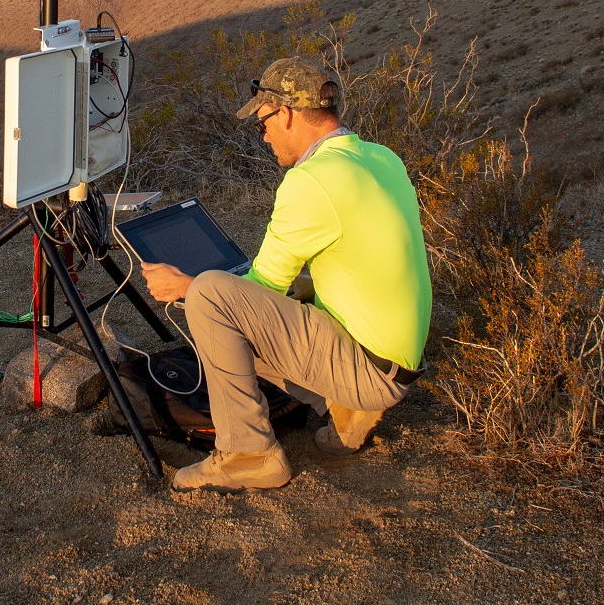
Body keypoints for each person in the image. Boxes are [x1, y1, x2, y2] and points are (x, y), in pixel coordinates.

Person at [140, 56, 432, 492]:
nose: (263, 134)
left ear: (288, 114)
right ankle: (345, 411)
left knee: (211, 298)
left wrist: (186, 286)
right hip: (396, 361)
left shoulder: (312, 180)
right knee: (278, 293)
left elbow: (258, 290)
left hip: (370, 372)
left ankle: (248, 454)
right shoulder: (380, 157)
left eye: (263, 122)